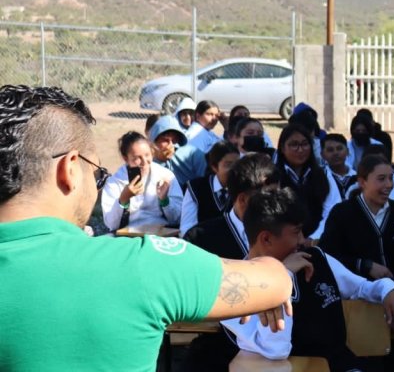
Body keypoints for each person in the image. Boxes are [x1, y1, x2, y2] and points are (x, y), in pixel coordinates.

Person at [0, 85, 292, 370]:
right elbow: (275, 282)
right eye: (97, 174)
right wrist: (276, 268)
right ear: (70, 169)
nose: (98, 184)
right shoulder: (142, 264)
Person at [217, 186, 394, 372]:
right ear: (266, 239)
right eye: (296, 232)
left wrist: (389, 289)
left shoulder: (315, 258)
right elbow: (275, 350)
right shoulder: (236, 291)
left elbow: (360, 288)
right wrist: (282, 276)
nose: (302, 240)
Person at [319, 155, 394, 281]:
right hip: (356, 286)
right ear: (362, 182)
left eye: (391, 178)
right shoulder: (342, 212)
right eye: (381, 179)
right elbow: (327, 255)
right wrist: (366, 266)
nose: (389, 184)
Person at [185, 153, 278, 259]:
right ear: (243, 200)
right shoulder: (198, 239)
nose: (276, 201)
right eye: (269, 195)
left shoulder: (284, 231)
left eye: (278, 194)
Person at [101, 130, 183, 232]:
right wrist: (123, 199)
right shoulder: (115, 182)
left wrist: (165, 201)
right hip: (128, 235)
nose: (144, 162)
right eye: (137, 158)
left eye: (147, 155)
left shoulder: (165, 176)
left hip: (161, 233)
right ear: (125, 158)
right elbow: (111, 224)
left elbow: (178, 218)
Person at [271, 124, 337, 240]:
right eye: (294, 145)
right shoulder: (273, 176)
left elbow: (332, 209)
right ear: (282, 148)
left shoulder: (323, 173)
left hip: (319, 239)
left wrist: (313, 238)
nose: (300, 150)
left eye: (305, 144)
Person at [180, 140, 240, 236]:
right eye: (228, 164)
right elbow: (187, 227)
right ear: (214, 167)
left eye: (237, 164)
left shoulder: (242, 189)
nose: (234, 170)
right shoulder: (196, 188)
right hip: (201, 241)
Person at [149, 114, 208, 189]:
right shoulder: (146, 160)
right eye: (165, 140)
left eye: (174, 140)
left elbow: (206, 183)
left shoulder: (192, 154)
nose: (171, 145)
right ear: (154, 141)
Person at [321, 133, 356, 197]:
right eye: (330, 150)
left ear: (347, 151)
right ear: (322, 155)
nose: (335, 153)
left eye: (339, 148)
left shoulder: (357, 177)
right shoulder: (318, 177)